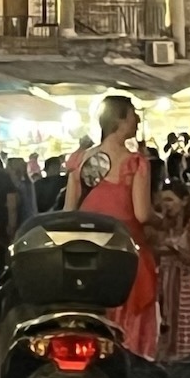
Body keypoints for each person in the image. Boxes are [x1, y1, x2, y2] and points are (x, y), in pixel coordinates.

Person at [65, 96, 159, 359]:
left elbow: (68, 212)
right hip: (127, 255)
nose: (137, 120)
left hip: (87, 255)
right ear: (119, 119)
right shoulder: (135, 162)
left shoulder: (79, 160)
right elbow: (142, 214)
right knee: (130, 329)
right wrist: (161, 220)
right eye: (132, 115)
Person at [151, 181, 190, 361]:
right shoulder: (162, 224)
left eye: (170, 199)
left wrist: (174, 249)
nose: (166, 205)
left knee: (184, 324)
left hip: (184, 282)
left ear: (183, 201)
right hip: (164, 280)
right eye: (163, 200)